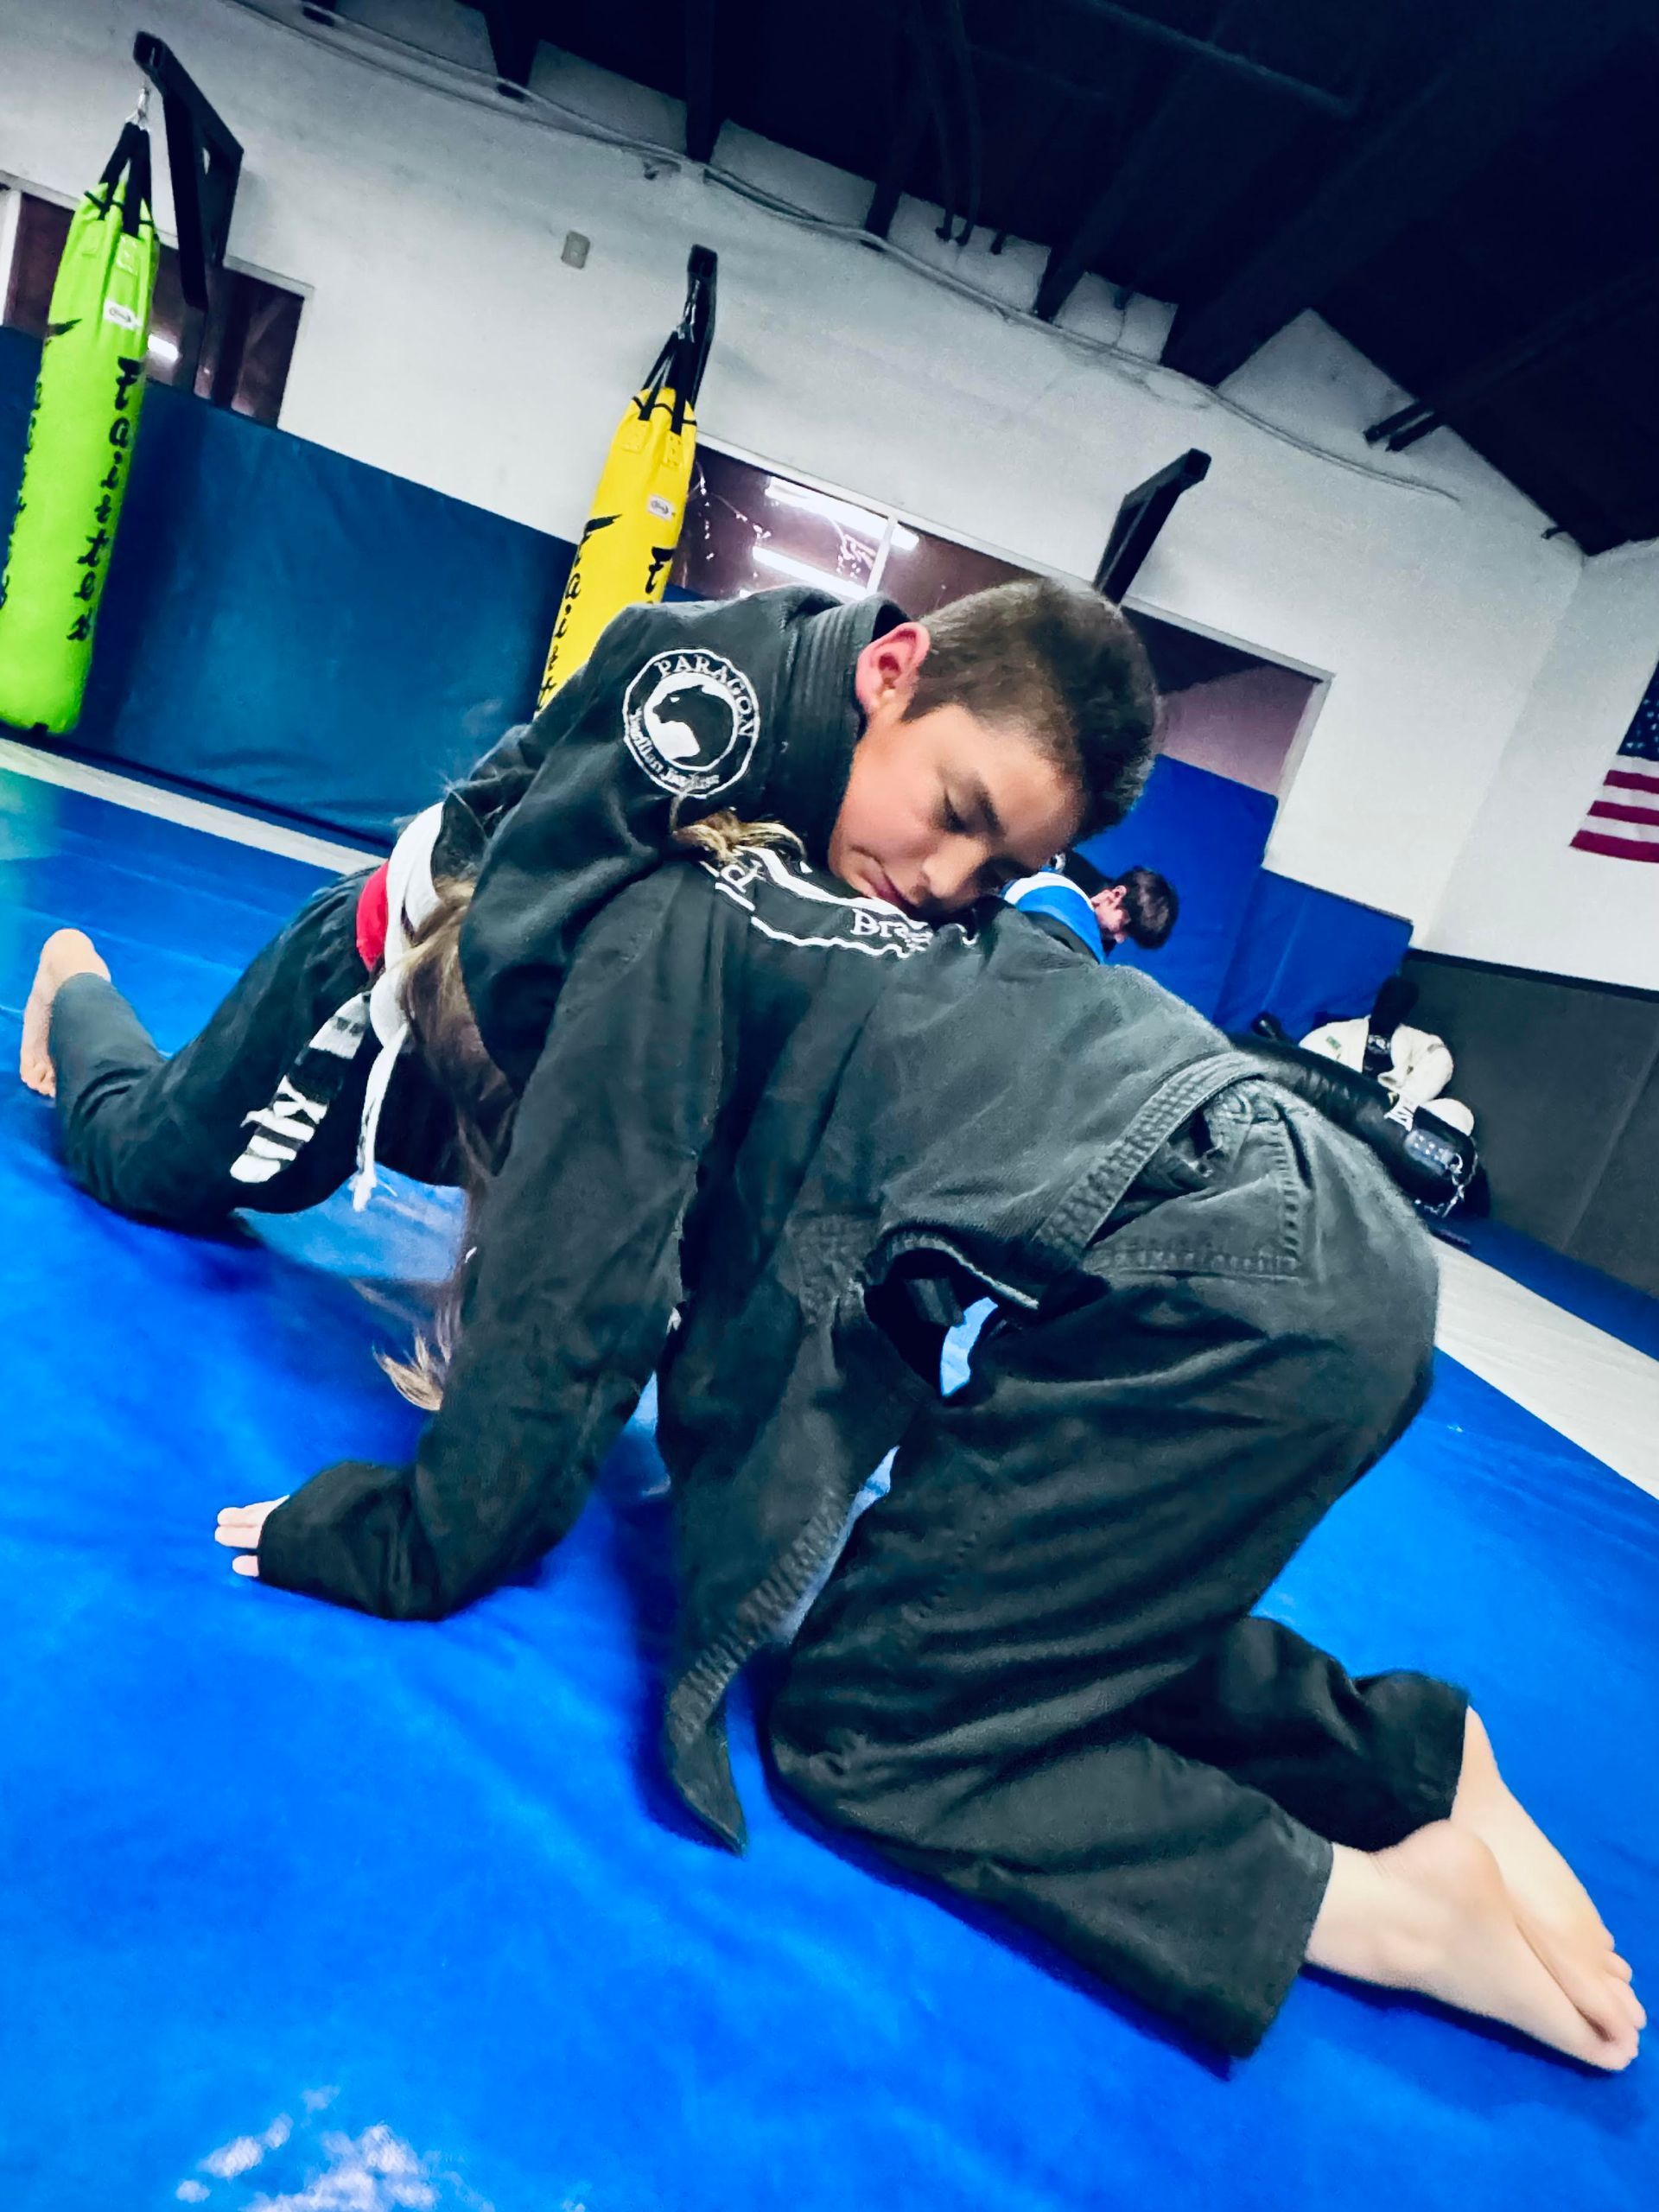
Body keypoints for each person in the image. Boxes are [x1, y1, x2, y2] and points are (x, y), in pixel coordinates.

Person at [188, 832, 1634, 2072]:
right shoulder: (803, 920)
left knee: (865, 1727)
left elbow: (589, 1325)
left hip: (1225, 1291)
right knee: (1014, 1610)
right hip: (1328, 1231)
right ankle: (1414, 1755)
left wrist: (399, 1531)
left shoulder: (630, 1021)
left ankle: (1384, 1912)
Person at [1061, 852, 1179, 953]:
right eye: (1124, 926)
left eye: (1128, 935)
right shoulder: (1062, 866)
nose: (1119, 939)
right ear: (1116, 895)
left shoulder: (1104, 942)